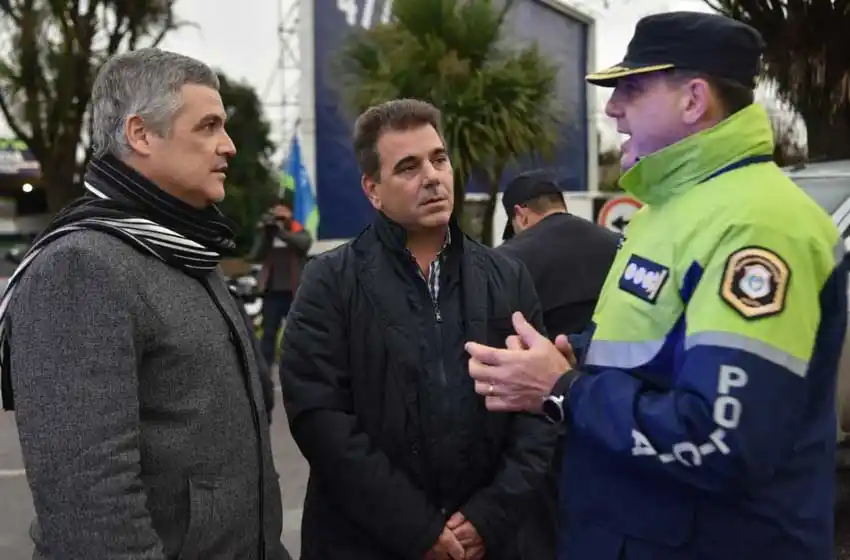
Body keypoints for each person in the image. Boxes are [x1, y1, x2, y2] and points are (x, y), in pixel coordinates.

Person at [465, 11, 846, 560]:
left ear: (693, 100)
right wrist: (576, 361)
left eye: (633, 88)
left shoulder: (758, 225)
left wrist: (563, 389)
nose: (614, 107)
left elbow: (722, 441)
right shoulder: (665, 213)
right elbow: (666, 351)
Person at [0, 49, 290, 559]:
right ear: (140, 134)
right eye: (208, 126)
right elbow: (91, 511)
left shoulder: (183, 251)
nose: (228, 146)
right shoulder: (80, 268)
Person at [279, 98, 557, 560]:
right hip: (365, 543)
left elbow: (538, 410)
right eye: (408, 167)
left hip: (488, 544)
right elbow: (319, 418)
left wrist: (488, 517)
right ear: (373, 190)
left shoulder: (507, 277)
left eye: (439, 158)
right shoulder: (329, 282)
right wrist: (417, 529)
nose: (431, 176)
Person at [495, 170, 620, 559]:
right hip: (616, 412)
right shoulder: (621, 245)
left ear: (520, 215)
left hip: (543, 425)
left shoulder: (508, 259)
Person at [498, 169, 620, 338]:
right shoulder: (617, 243)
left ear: (520, 215)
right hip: (613, 358)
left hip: (543, 360)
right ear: (562, 204)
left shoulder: (505, 259)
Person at [251, 191, 313, 367]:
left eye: (282, 211)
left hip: (295, 291)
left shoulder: (298, 230)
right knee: (269, 333)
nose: (278, 215)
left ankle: (304, 367)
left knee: (299, 333)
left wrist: (281, 233)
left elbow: (303, 245)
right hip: (272, 292)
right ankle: (265, 370)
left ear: (290, 213)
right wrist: (266, 235)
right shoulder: (268, 233)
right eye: (275, 211)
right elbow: (256, 255)